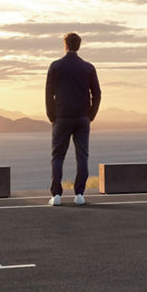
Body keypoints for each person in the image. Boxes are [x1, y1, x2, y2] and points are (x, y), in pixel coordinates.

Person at [45, 32, 101, 206]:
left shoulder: (55, 66)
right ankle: (79, 194)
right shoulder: (88, 67)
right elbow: (97, 94)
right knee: (82, 156)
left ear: (65, 45)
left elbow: (49, 93)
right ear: (79, 45)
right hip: (82, 118)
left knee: (58, 156)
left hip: (61, 117)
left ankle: (56, 196)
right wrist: (90, 115)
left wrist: (51, 115)